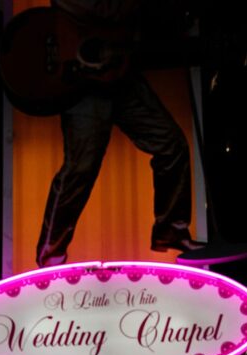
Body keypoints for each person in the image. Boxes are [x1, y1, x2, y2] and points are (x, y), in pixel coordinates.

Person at [36, 0, 204, 267]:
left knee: (171, 144)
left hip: (119, 72)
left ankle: (171, 229)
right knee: (81, 168)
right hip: (85, 78)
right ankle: (51, 254)